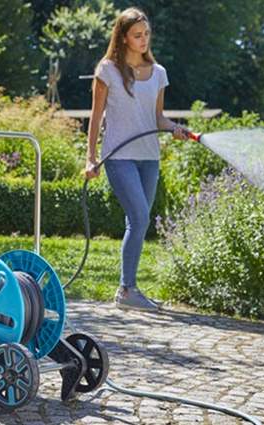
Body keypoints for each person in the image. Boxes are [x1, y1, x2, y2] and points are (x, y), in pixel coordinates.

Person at [85, 7, 189, 311]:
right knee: (140, 217)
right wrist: (90, 157)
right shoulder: (108, 70)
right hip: (119, 156)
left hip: (149, 158)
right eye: (137, 35)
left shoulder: (158, 73)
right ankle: (127, 290)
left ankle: (128, 290)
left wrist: (175, 128)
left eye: (147, 34)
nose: (144, 40)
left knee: (138, 221)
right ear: (123, 38)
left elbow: (157, 118)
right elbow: (95, 117)